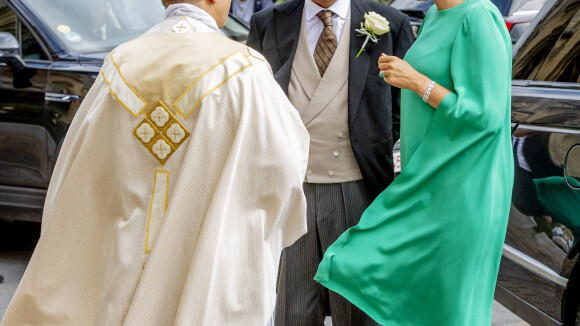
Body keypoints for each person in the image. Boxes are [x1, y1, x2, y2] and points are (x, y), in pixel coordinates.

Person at [1, 0, 309, 325]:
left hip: (121, 259)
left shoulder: (117, 65)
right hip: (203, 259)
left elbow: (75, 175)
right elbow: (283, 169)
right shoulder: (245, 70)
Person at [314, 0, 514, 324]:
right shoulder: (436, 14)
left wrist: (417, 82)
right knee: (410, 294)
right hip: (425, 180)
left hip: (461, 187)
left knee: (449, 308)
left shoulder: (479, 16)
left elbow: (485, 116)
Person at [247, 0, 413, 324]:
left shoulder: (391, 24)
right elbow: (254, 107)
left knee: (358, 312)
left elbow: (403, 113)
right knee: (292, 312)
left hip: (361, 192)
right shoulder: (267, 23)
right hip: (290, 195)